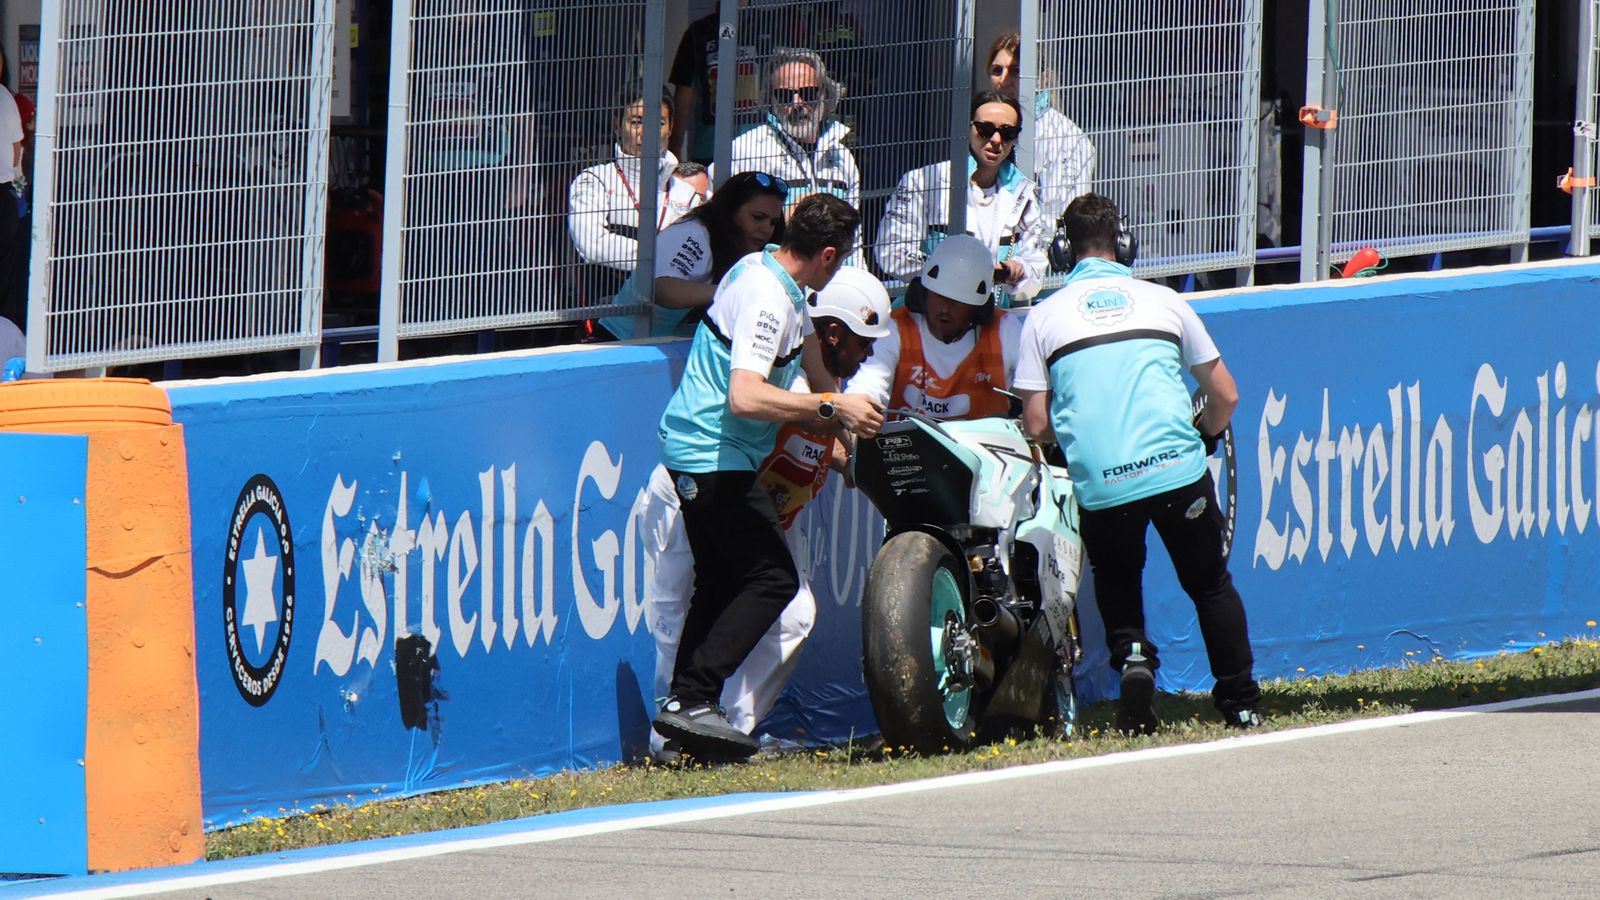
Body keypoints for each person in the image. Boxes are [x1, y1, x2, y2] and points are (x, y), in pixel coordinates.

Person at [1013, 193, 1261, 735]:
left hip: (1102, 481)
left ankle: (1132, 658)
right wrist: (1206, 435)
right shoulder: (1165, 301)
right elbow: (1226, 395)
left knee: (1118, 573)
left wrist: (1080, 443)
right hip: (1177, 469)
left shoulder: (1042, 318)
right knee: (1210, 585)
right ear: (1124, 244)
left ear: (1062, 251)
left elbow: (1034, 424)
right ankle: (1240, 701)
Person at [654, 193, 883, 759]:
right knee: (773, 579)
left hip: (710, 453)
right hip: (712, 452)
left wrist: (857, 446)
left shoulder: (768, 274)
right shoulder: (766, 298)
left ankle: (686, 714)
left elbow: (813, 367)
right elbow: (746, 396)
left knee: (723, 581)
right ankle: (691, 700)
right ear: (828, 256)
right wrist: (833, 410)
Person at [874, 90, 1047, 306]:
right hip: (931, 316)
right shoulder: (924, 181)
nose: (996, 140)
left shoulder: (1024, 194)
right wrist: (956, 272)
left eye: (1008, 133)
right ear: (969, 128)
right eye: (985, 130)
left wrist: (1016, 270)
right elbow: (891, 251)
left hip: (993, 319)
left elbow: (1036, 267)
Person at [593, 170, 788, 341]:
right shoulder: (694, 232)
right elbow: (662, 290)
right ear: (730, 211)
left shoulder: (735, 243)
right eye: (757, 217)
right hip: (620, 341)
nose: (766, 230)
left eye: (773, 222)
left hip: (664, 343)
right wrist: (733, 290)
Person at [846, 234, 1022, 421]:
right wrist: (861, 403)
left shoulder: (1005, 330)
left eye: (957, 301)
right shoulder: (896, 330)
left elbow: (1035, 389)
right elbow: (867, 386)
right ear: (924, 293)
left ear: (977, 307)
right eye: (938, 297)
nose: (945, 309)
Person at [726, 48, 863, 263]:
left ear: (825, 94)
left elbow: (854, 241)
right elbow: (726, 226)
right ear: (769, 99)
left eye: (808, 93)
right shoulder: (745, 150)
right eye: (784, 95)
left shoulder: (842, 157)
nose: (797, 103)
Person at [567, 86, 684, 302]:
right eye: (636, 122)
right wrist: (667, 256)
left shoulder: (688, 194)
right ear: (617, 126)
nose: (646, 133)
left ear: (670, 128)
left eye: (658, 124)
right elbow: (591, 246)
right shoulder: (594, 181)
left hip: (668, 322)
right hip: (606, 318)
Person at [986, 31, 1095, 231]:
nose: (1004, 80)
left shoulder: (1068, 138)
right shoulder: (981, 131)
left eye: (1015, 71)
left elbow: (1065, 216)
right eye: (997, 70)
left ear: (1042, 79)